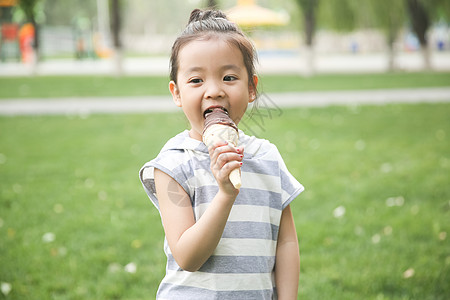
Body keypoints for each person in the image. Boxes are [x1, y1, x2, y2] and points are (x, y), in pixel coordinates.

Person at [140, 8, 304, 299]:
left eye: (229, 77)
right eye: (196, 81)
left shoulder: (267, 158)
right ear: (176, 93)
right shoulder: (173, 163)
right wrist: (226, 194)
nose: (214, 91)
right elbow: (188, 257)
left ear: (252, 88)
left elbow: (286, 242)